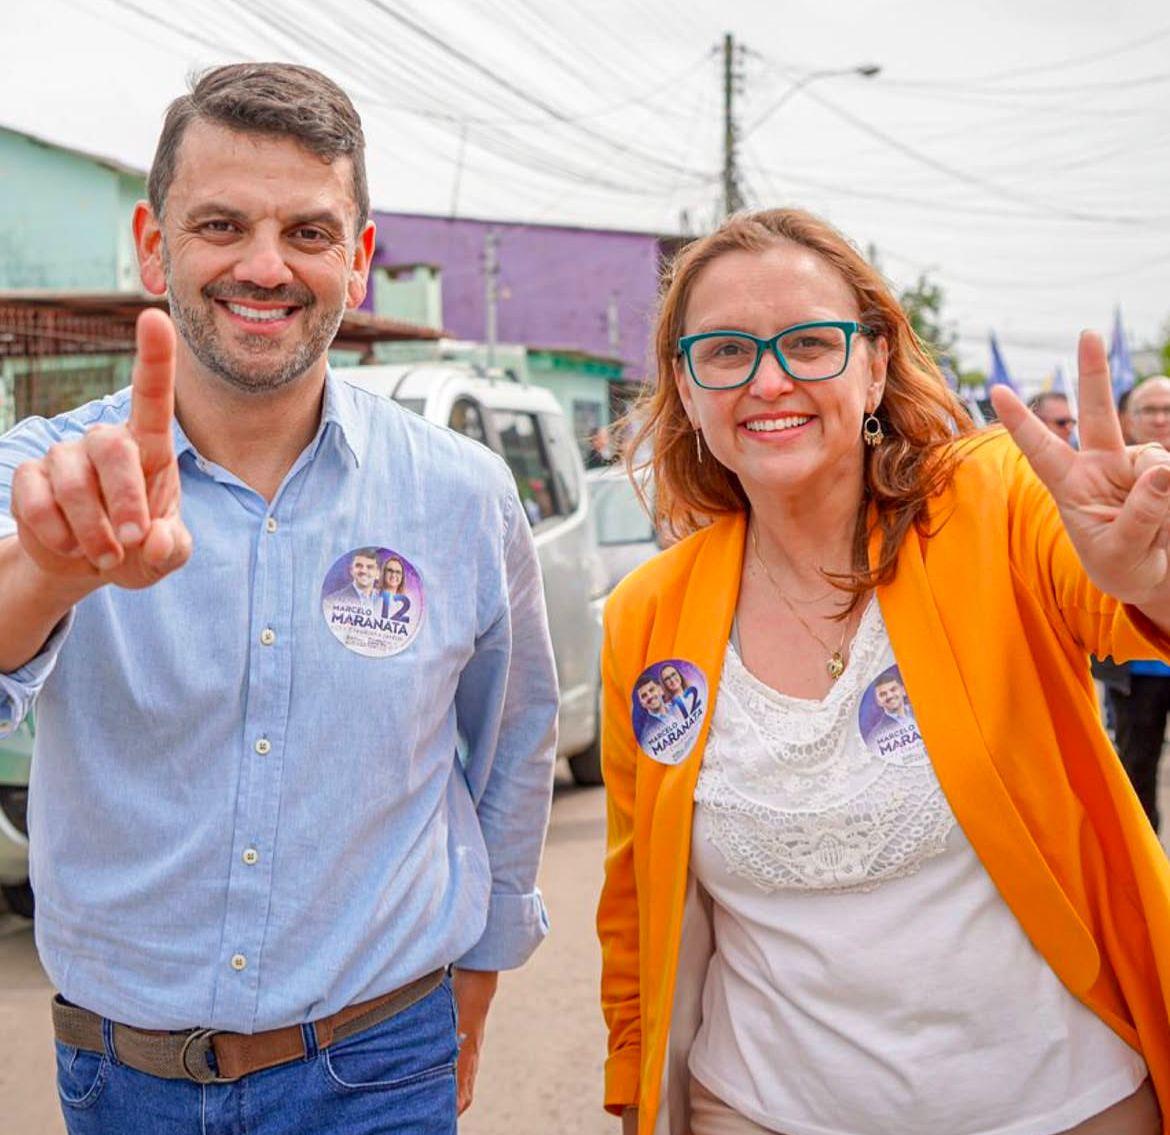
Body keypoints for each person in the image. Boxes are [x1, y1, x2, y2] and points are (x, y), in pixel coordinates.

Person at [0, 64, 558, 1135]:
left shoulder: (462, 495)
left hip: (381, 1062)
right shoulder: (55, 476)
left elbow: (513, 745)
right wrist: (57, 568)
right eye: (220, 224)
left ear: (358, 254)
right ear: (153, 245)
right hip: (125, 1082)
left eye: (308, 231)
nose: (265, 266)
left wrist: (478, 978)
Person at [597, 208, 1170, 1135]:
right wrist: (635, 1088)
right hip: (754, 1109)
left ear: (874, 365)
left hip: (1063, 1104)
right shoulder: (647, 614)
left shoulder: (991, 502)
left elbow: (1128, 603)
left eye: (811, 343)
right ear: (687, 388)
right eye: (726, 352)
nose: (769, 378)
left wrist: (1153, 576)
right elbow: (635, 907)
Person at [1103, 375, 1170, 833]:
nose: (1161, 419)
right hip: (1135, 662)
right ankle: (1148, 877)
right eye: (1150, 409)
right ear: (1127, 419)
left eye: (1169, 409)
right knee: (1136, 769)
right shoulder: (1103, 481)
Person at [325, 546, 382, 612]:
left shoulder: (386, 603)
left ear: (378, 574)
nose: (363, 571)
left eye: (369, 567)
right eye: (359, 566)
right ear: (351, 570)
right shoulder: (332, 602)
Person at [378, 554, 408, 620]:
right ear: (384, 573)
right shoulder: (372, 597)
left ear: (402, 577)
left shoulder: (404, 605)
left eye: (398, 572)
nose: (393, 575)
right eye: (390, 570)